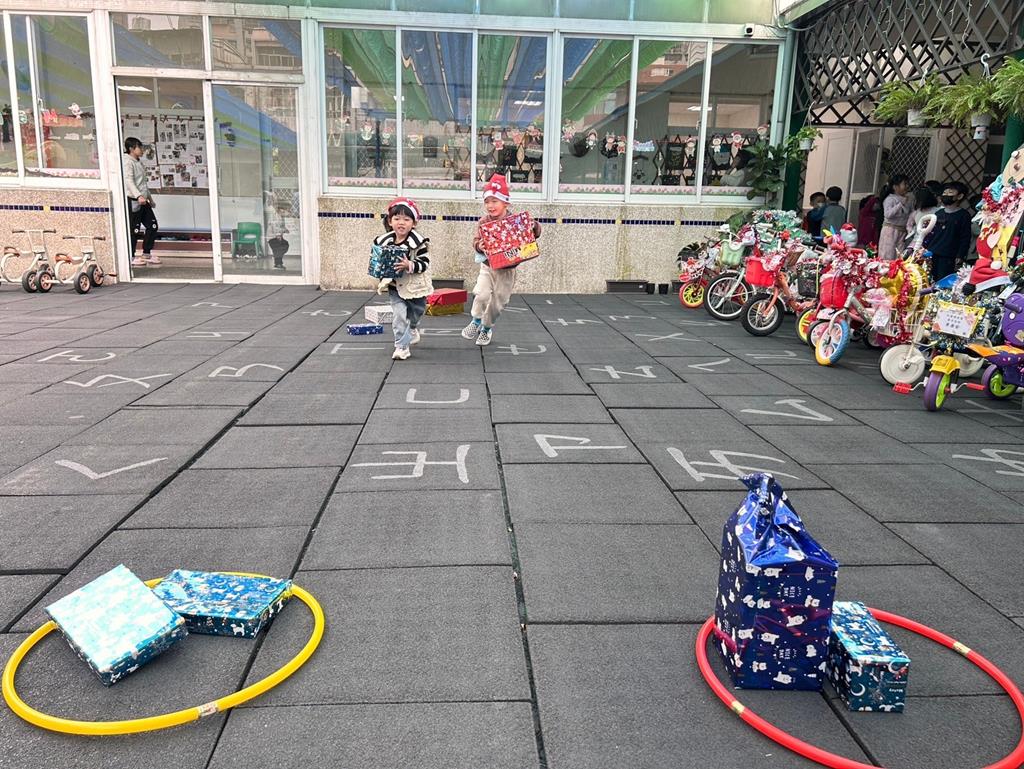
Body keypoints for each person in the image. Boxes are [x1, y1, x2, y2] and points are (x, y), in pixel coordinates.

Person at [463, 174, 542, 346]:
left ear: (505, 203)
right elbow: (476, 241)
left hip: (507, 270)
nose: (490, 205)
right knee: (481, 294)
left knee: (499, 303)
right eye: (487, 201)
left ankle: (486, 328)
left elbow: (534, 233)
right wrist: (479, 246)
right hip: (488, 267)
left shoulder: (515, 221)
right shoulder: (483, 222)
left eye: (494, 201)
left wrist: (533, 225)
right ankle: (476, 320)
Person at [373, 197, 432, 361]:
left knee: (417, 311)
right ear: (390, 221)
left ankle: (412, 327)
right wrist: (378, 269)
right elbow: (377, 261)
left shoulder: (418, 243)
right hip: (395, 287)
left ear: (413, 223)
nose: (401, 223)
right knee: (399, 315)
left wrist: (410, 265)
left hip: (415, 287)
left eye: (406, 219)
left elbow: (425, 263)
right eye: (397, 218)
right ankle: (401, 346)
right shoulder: (384, 242)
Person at [123, 137, 159, 267]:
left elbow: (143, 184)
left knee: (153, 225)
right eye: (140, 147)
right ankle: (131, 256)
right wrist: (138, 196)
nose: (142, 150)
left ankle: (146, 253)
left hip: (144, 200)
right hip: (134, 200)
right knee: (134, 229)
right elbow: (129, 181)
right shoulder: (127, 162)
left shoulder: (139, 162)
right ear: (131, 149)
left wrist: (150, 199)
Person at [927, 182, 973, 281]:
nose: (946, 195)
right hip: (932, 252)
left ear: (960, 196)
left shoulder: (963, 215)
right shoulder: (938, 213)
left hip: (949, 255)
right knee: (928, 279)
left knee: (942, 281)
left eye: (950, 192)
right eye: (945, 192)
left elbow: (965, 237)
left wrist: (960, 255)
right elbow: (930, 233)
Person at [877, 174, 912, 260]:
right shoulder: (890, 199)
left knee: (899, 257)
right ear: (895, 186)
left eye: (907, 184)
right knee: (887, 256)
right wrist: (900, 204)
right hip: (890, 231)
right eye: (904, 184)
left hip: (902, 231)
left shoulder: (907, 199)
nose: (907, 186)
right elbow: (888, 214)